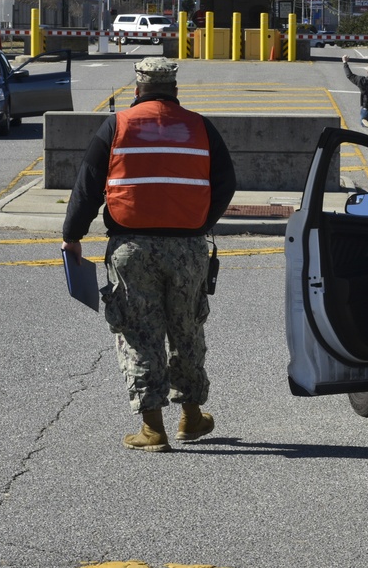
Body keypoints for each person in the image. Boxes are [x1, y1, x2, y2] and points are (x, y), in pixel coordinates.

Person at [62, 57, 236, 453]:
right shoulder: (199, 126)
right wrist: (201, 220)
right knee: (187, 328)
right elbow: (227, 181)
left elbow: (88, 185)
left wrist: (72, 236)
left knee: (139, 333)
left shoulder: (117, 125)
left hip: (131, 247)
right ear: (174, 89)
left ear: (137, 88)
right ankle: (191, 418)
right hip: (189, 248)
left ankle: (152, 428)